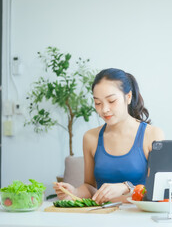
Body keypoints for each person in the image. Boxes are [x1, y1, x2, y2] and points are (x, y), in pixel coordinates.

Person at [53, 68, 164, 204]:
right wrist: (74, 192)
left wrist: (126, 187)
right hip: (102, 215)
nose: (104, 109)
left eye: (111, 101)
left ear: (128, 97)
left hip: (139, 216)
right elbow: (90, 187)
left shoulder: (152, 134)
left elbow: (159, 190)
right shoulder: (90, 137)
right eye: (98, 103)